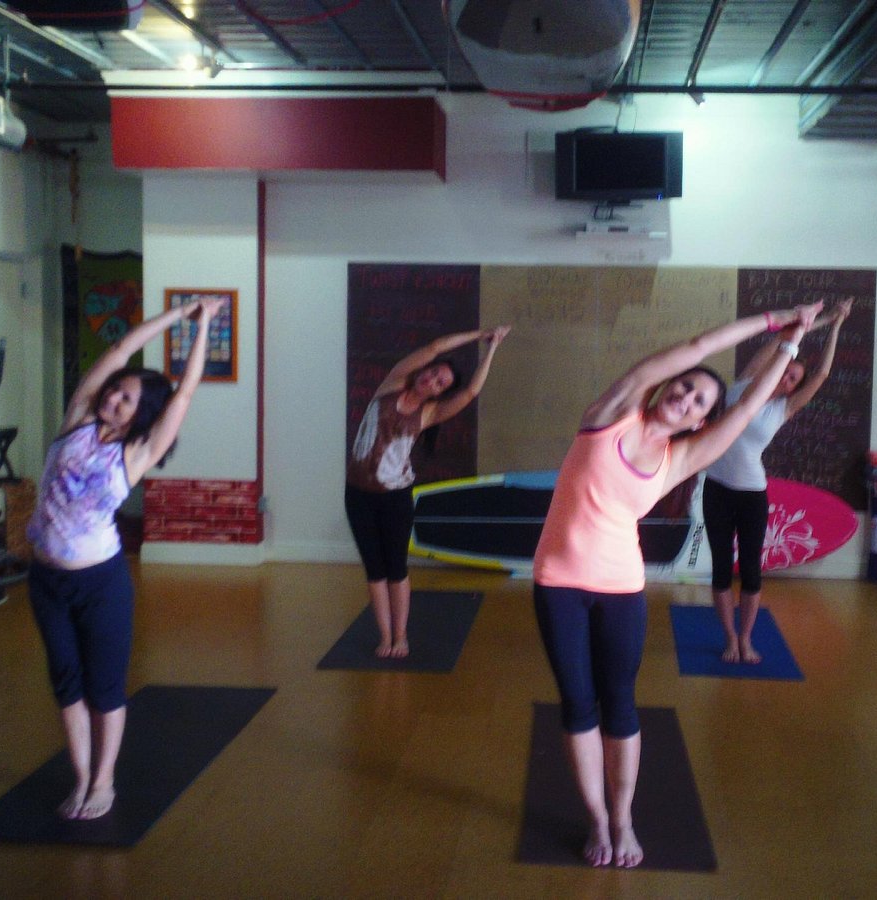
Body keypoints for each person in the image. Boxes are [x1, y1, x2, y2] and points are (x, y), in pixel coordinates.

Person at [532, 302, 823, 869]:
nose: (686, 397)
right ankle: (596, 820)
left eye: (699, 402)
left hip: (621, 587)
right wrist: (775, 321)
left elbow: (745, 413)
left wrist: (793, 345)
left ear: (697, 421)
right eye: (685, 386)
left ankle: (623, 819)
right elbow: (696, 344)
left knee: (619, 703)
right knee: (577, 704)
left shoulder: (682, 456)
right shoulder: (611, 413)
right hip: (559, 582)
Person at [26, 295, 226, 820]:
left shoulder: (135, 454)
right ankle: (80, 777)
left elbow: (183, 395)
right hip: (45, 579)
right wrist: (175, 315)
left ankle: (104, 783)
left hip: (100, 583)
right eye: (117, 389)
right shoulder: (77, 417)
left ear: (143, 416)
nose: (115, 397)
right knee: (65, 680)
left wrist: (203, 326)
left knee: (104, 685)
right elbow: (118, 349)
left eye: (128, 398)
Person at [346, 325, 510, 658]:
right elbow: (436, 345)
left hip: (395, 497)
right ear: (423, 371)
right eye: (433, 373)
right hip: (358, 493)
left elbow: (470, 393)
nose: (432, 380)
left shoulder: (429, 412)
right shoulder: (392, 383)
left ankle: (401, 636)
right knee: (374, 570)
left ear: (438, 393)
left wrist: (492, 349)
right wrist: (481, 335)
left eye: (440, 383)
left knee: (395, 567)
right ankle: (384, 636)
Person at [704, 298, 854, 665]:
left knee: (751, 570)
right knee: (722, 567)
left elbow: (819, 376)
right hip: (717, 490)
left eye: (792, 379)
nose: (787, 377)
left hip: (752, 495)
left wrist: (836, 326)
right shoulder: (742, 385)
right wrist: (813, 321)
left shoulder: (782, 410)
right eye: (787, 369)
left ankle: (747, 637)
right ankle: (730, 639)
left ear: (791, 389)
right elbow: (781, 338)